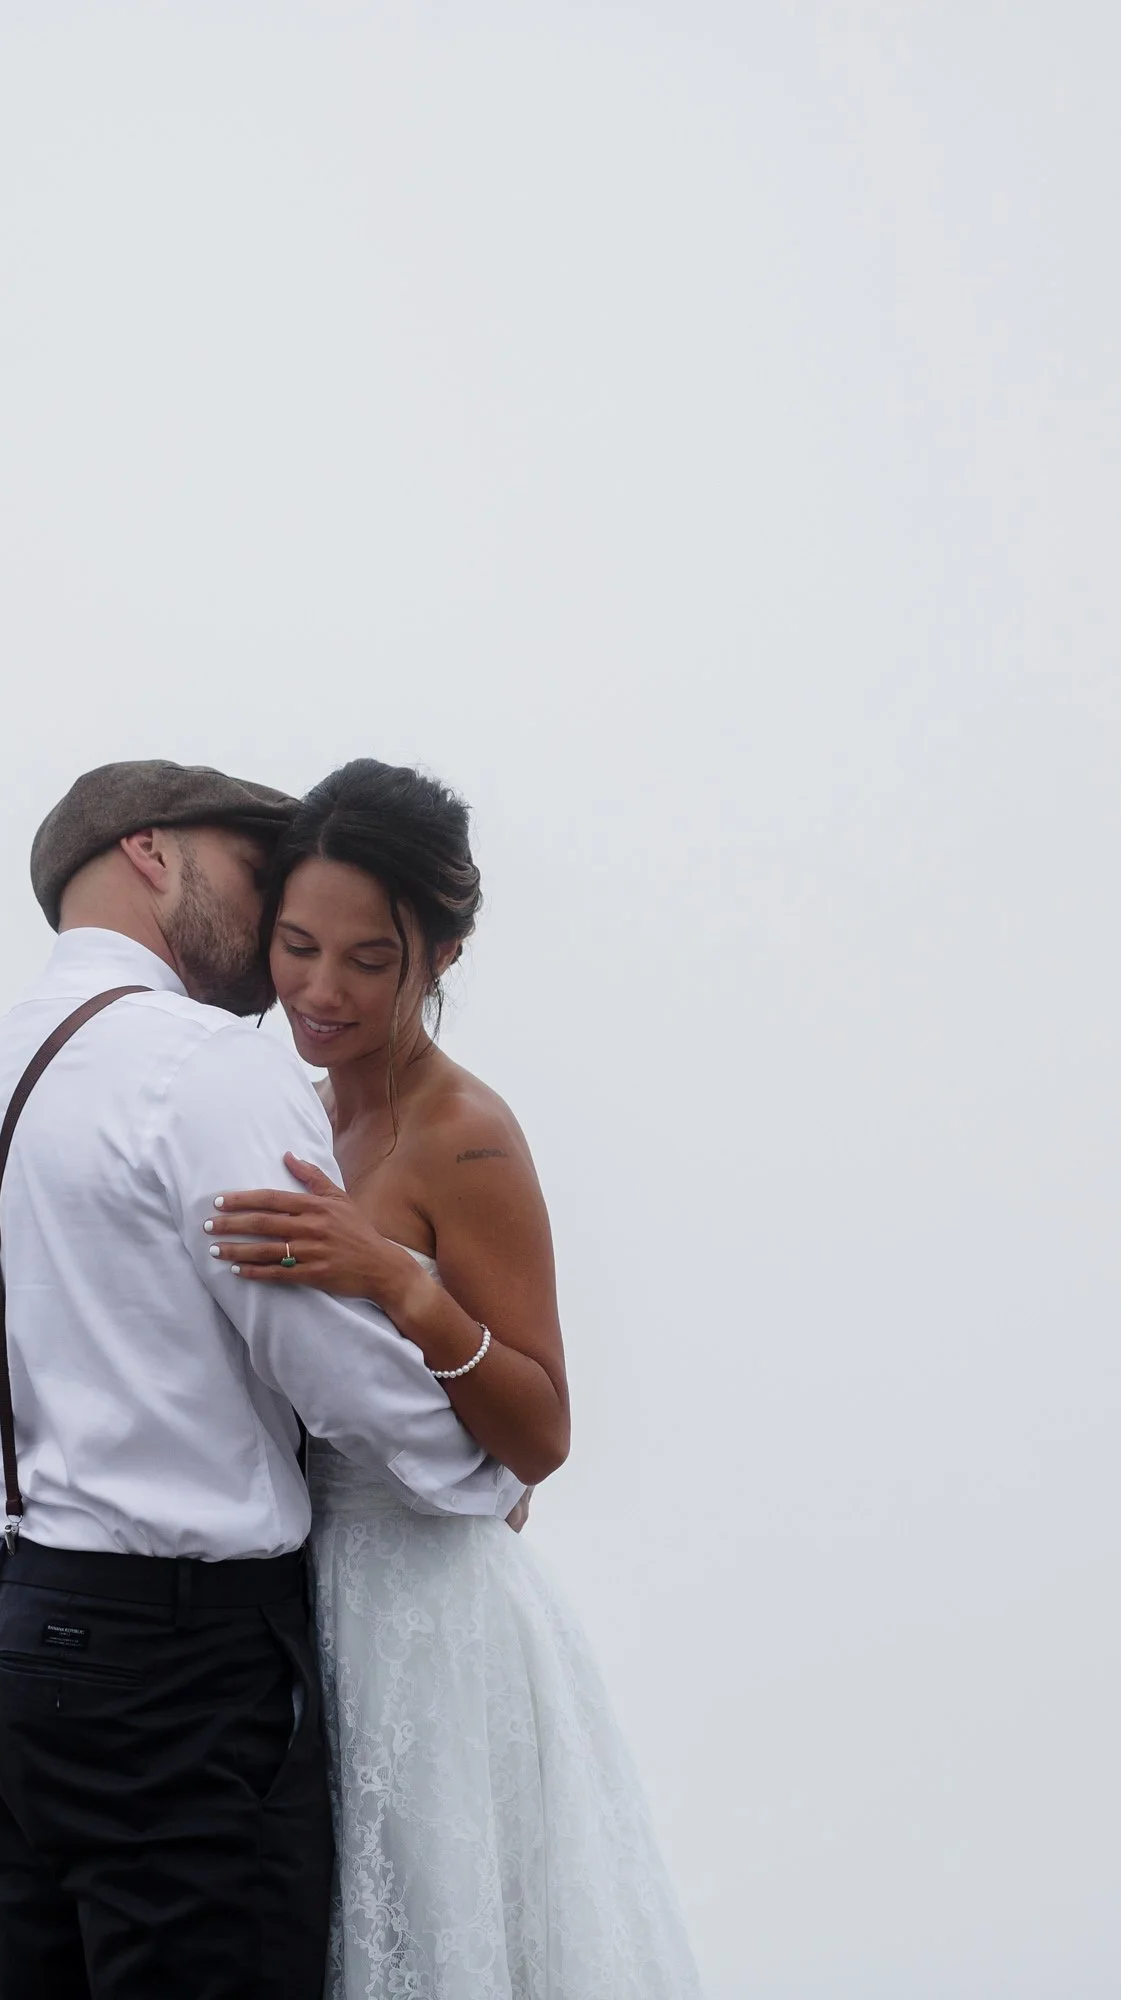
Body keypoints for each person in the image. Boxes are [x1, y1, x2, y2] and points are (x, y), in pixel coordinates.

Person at [0, 759, 523, 2000]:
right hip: (166, 1669)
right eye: (255, 873)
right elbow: (326, 1357)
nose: (272, 923)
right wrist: (482, 1470)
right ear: (151, 851)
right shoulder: (200, 1062)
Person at [204, 759, 703, 2000]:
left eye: (368, 959)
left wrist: (399, 1282)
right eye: (296, 946)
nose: (320, 989)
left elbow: (541, 1433)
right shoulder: (291, 1112)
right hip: (295, 1606)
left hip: (431, 1626)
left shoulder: (463, 1134)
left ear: (441, 955)